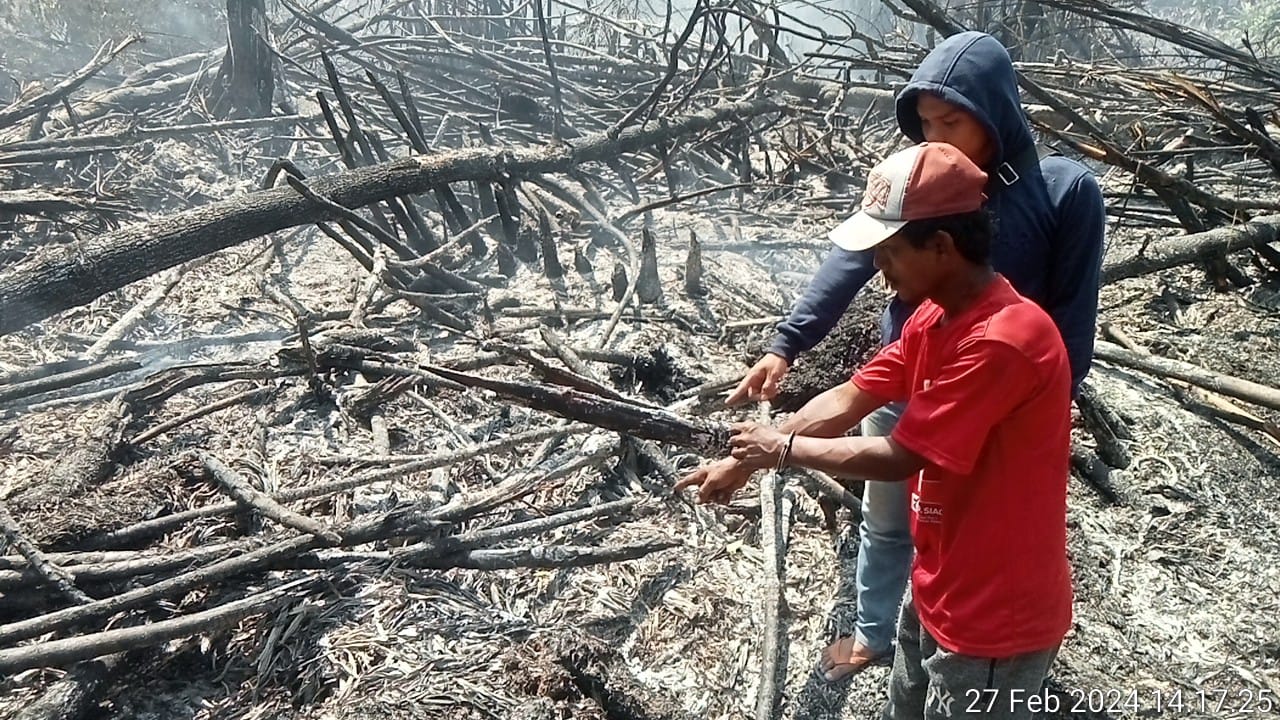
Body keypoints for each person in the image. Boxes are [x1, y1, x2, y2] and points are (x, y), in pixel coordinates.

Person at [724, 31, 1104, 678]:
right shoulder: (925, 232)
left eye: (951, 121)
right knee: (896, 519)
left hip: (999, 408)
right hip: (916, 376)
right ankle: (885, 630)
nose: (935, 137)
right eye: (925, 123)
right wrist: (785, 347)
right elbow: (851, 290)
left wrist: (1036, 423)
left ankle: (993, 644)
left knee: (978, 534)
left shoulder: (1061, 194)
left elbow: (1070, 328)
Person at [679, 142, 1074, 720]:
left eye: (888, 252)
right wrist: (744, 460)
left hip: (995, 613)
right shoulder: (935, 316)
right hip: (941, 580)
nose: (879, 269)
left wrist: (782, 449)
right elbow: (851, 396)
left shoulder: (1001, 341)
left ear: (941, 246)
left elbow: (901, 455)